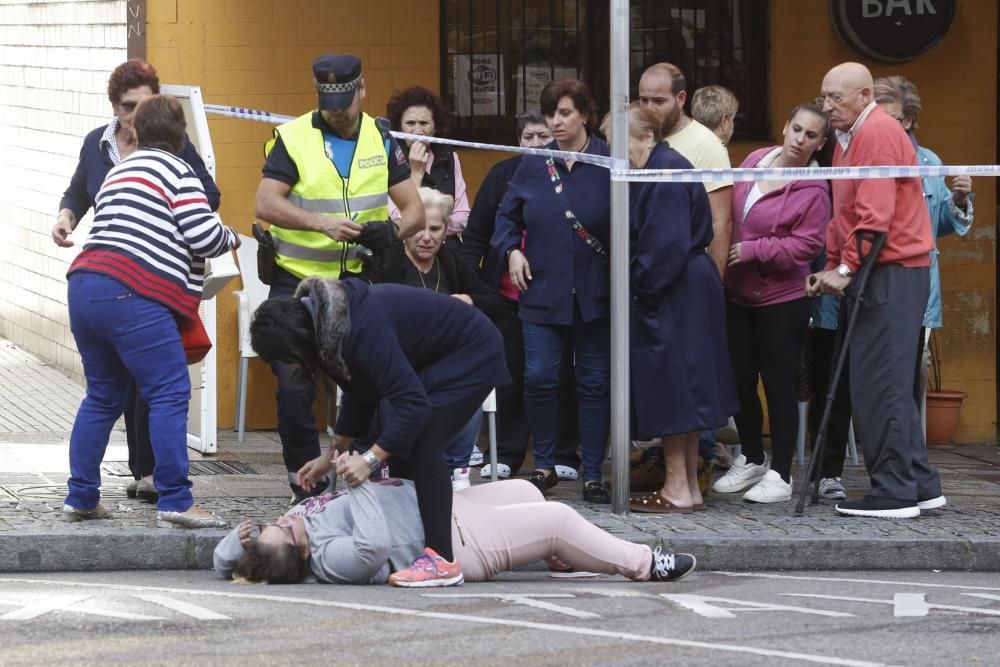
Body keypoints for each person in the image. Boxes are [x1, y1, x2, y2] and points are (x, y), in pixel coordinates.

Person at [250, 276, 510, 586]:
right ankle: (421, 542)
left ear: (296, 340)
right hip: (437, 358)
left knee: (424, 441)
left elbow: (414, 405)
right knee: (398, 435)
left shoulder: (359, 329)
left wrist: (370, 459)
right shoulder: (329, 330)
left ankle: (442, 560)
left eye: (285, 360)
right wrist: (329, 456)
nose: (290, 369)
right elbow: (362, 393)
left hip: (472, 351)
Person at [254, 53, 425, 504]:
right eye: (328, 101)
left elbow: (415, 211)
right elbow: (266, 204)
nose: (337, 110)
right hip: (299, 282)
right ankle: (302, 483)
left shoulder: (382, 137)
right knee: (293, 383)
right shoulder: (293, 139)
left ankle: (364, 475)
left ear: (362, 90)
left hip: (357, 288)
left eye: (345, 101)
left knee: (370, 379)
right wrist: (319, 223)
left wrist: (390, 232)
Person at [61, 94, 238, 528]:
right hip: (131, 291)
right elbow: (203, 234)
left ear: (137, 131)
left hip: (84, 285)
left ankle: (81, 496)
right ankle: (176, 499)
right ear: (181, 136)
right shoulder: (180, 170)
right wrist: (231, 236)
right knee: (170, 392)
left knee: (102, 395)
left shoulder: (122, 171)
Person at [810, 76, 976, 499]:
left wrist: (844, 268)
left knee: (881, 383)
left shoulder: (877, 132)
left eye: (835, 97)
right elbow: (843, 212)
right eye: (822, 97)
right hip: (882, 269)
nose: (826, 106)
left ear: (863, 97)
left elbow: (874, 215)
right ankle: (919, 484)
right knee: (884, 383)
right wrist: (834, 263)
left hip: (891, 269)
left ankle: (894, 490)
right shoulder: (851, 137)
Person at [602, 104, 736, 513]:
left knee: (677, 388)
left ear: (646, 136)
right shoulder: (660, 167)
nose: (615, 155)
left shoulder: (663, 173)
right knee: (685, 390)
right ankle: (685, 486)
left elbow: (663, 248)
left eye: (618, 144)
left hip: (672, 291)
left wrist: (638, 289)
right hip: (684, 288)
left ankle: (679, 486)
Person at [213, 476, 696, 586]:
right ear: (301, 556)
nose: (288, 521)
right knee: (556, 519)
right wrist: (359, 483)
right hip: (460, 543)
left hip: (447, 508)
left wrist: (241, 538)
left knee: (527, 487)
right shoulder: (329, 561)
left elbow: (220, 562)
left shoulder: (281, 536)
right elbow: (373, 545)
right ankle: (644, 563)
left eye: (276, 524)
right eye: (289, 533)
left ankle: (564, 558)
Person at [492, 79, 612, 504]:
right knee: (540, 378)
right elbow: (505, 219)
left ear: (584, 114)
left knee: (595, 383)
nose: (555, 122)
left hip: (598, 293)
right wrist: (510, 252)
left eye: (564, 113)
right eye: (550, 114)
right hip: (541, 289)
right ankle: (543, 465)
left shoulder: (609, 161)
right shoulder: (533, 164)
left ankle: (593, 472)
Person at [712, 103, 831, 504]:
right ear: (784, 126)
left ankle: (781, 473)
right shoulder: (755, 158)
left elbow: (809, 245)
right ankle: (752, 456)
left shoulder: (815, 188)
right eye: (797, 129)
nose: (800, 139)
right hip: (736, 294)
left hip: (783, 299)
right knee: (739, 379)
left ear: (821, 143)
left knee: (778, 384)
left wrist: (755, 250)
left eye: (811, 135)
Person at [458, 110, 580, 482]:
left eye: (544, 136)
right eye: (529, 137)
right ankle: (507, 452)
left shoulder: (572, 174)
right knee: (509, 376)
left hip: (559, 298)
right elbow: (476, 236)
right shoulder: (501, 176)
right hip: (507, 299)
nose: (538, 144)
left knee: (560, 377)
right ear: (518, 141)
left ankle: (565, 453)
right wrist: (474, 288)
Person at [368, 187, 508, 490]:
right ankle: (397, 463)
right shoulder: (390, 261)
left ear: (446, 231)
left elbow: (495, 303)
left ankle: (457, 466)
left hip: (446, 361)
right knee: (406, 386)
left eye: (435, 229)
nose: (427, 237)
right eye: (419, 229)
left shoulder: (451, 260)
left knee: (467, 379)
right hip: (401, 358)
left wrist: (469, 299)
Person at [638, 63, 733, 277]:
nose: (649, 108)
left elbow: (721, 223)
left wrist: (712, 283)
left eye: (659, 101)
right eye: (643, 100)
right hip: (646, 271)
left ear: (681, 99)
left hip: (687, 273)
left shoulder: (707, 145)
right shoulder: (637, 139)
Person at [385, 86, 471, 238]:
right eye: (410, 123)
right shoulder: (389, 158)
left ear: (435, 127)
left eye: (424, 123)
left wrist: (432, 231)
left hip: (445, 247)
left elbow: (463, 216)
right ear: (399, 127)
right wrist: (416, 174)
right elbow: (396, 218)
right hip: (405, 248)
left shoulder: (450, 157)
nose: (418, 131)